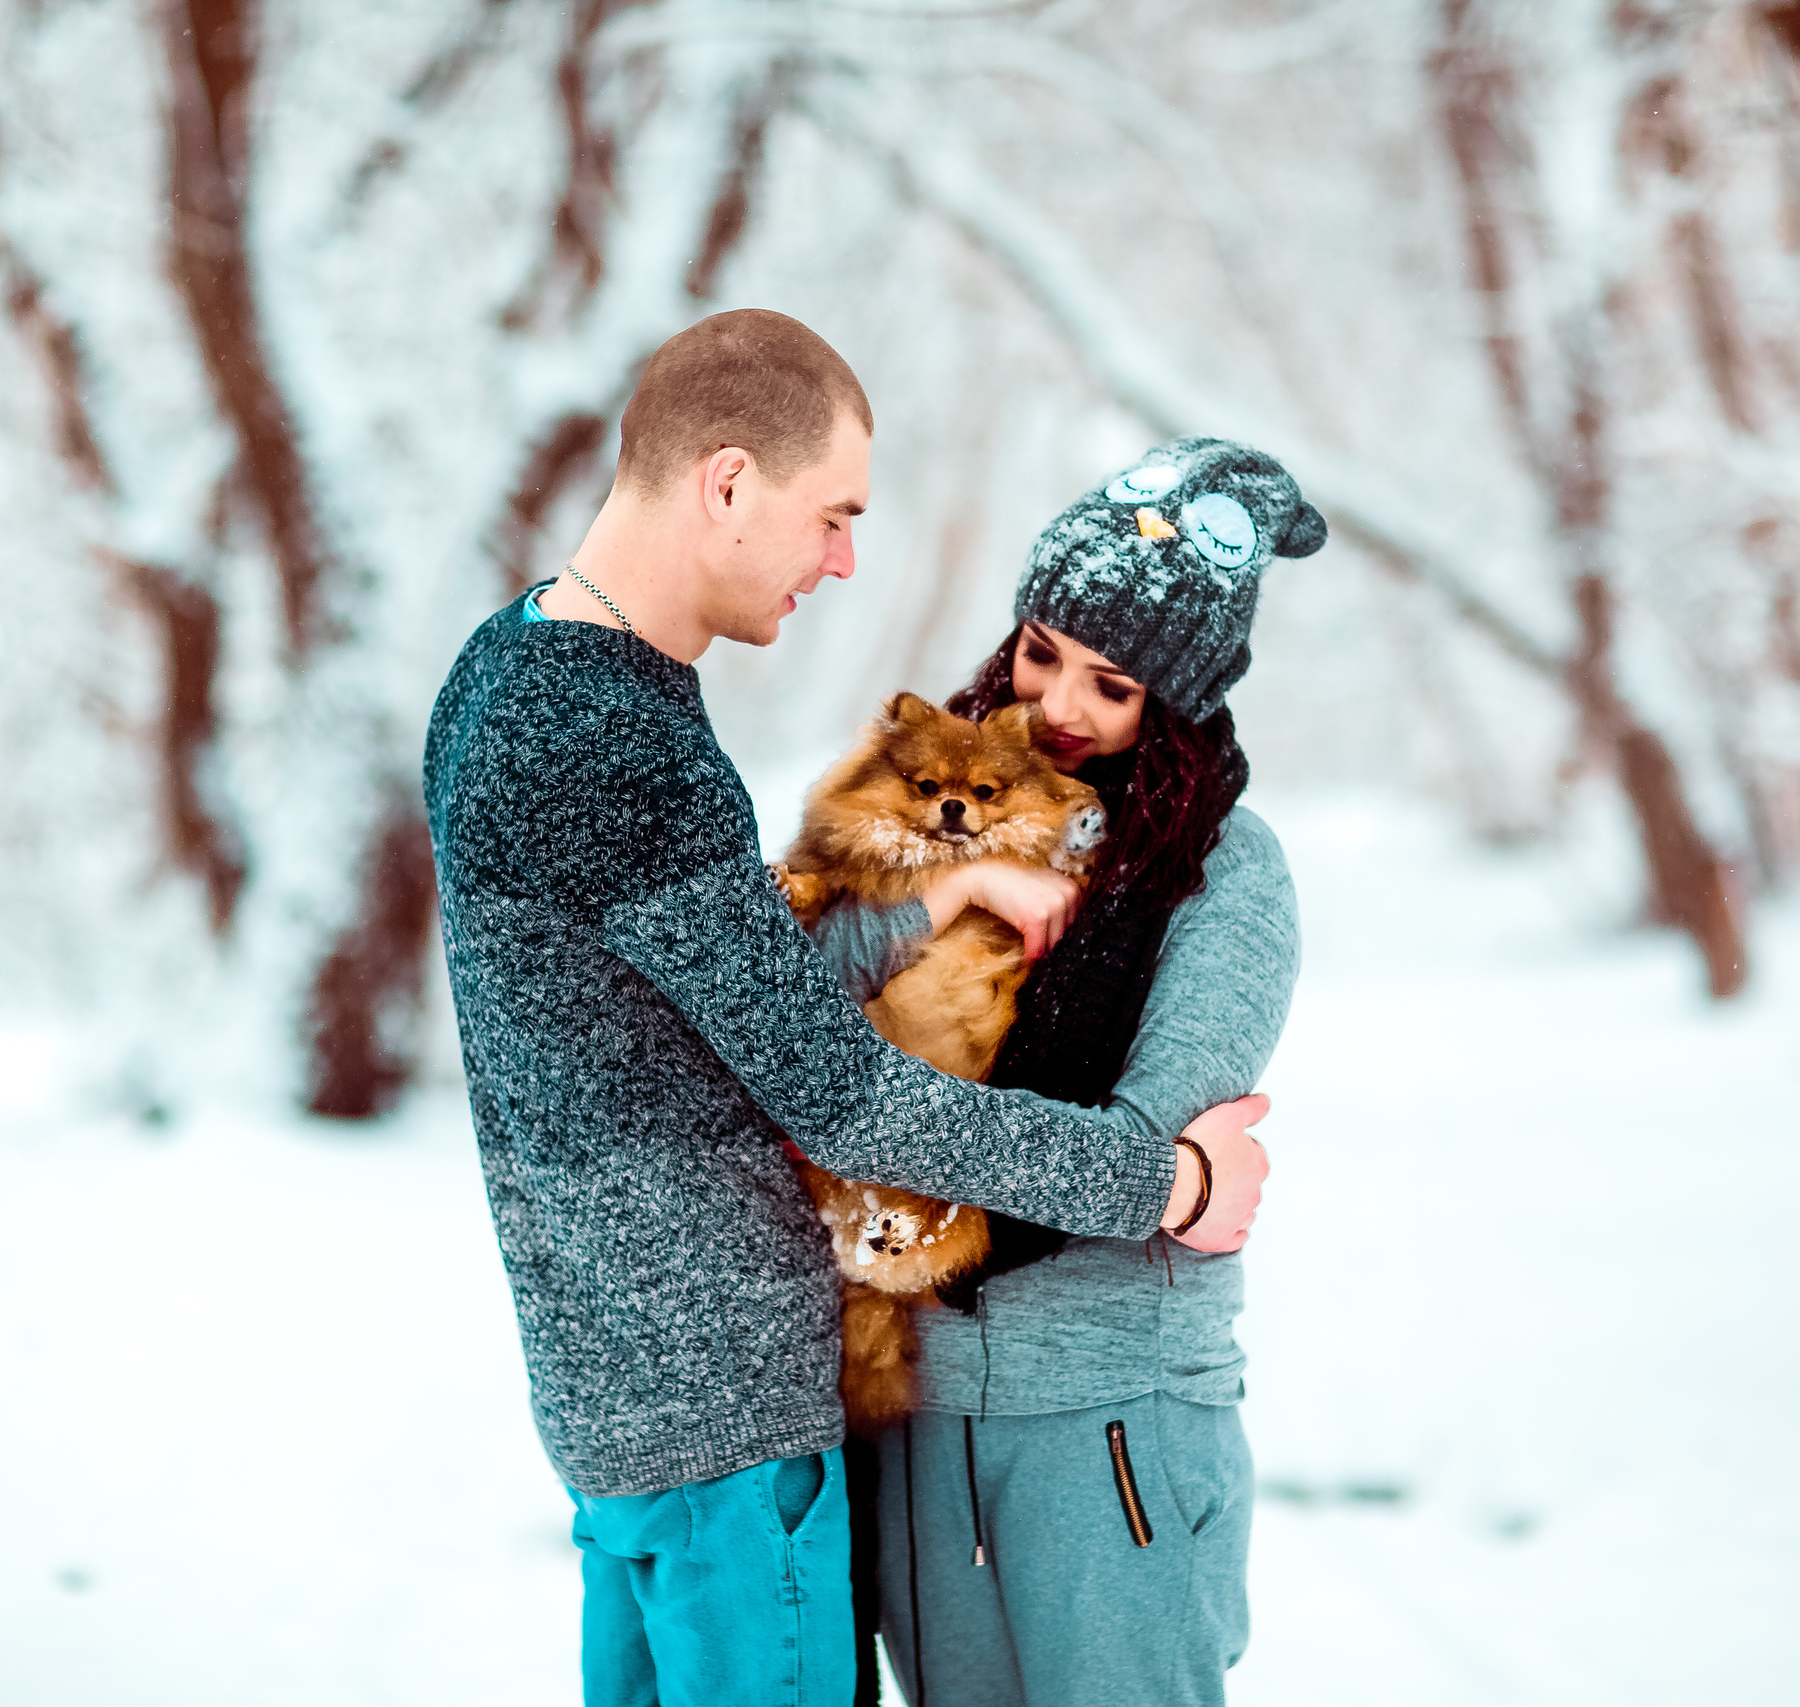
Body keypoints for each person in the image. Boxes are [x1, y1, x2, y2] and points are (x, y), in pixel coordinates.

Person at [420, 311, 1272, 1707]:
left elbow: (695, 1000)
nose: (845, 560)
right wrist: (1166, 1178)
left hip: (619, 1408)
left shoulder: (505, 670)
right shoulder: (627, 740)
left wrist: (924, 908)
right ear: (730, 480)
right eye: (833, 516)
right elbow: (843, 1095)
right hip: (731, 1429)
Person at [805, 436, 1325, 1707]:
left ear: (1179, 701)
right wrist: (946, 893)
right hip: (923, 1415)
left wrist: (875, 1121)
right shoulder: (937, 799)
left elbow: (1138, 1158)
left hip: (1108, 1418)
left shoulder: (1224, 873)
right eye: (1041, 653)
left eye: (1114, 685)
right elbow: (777, 1000)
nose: (1057, 709)